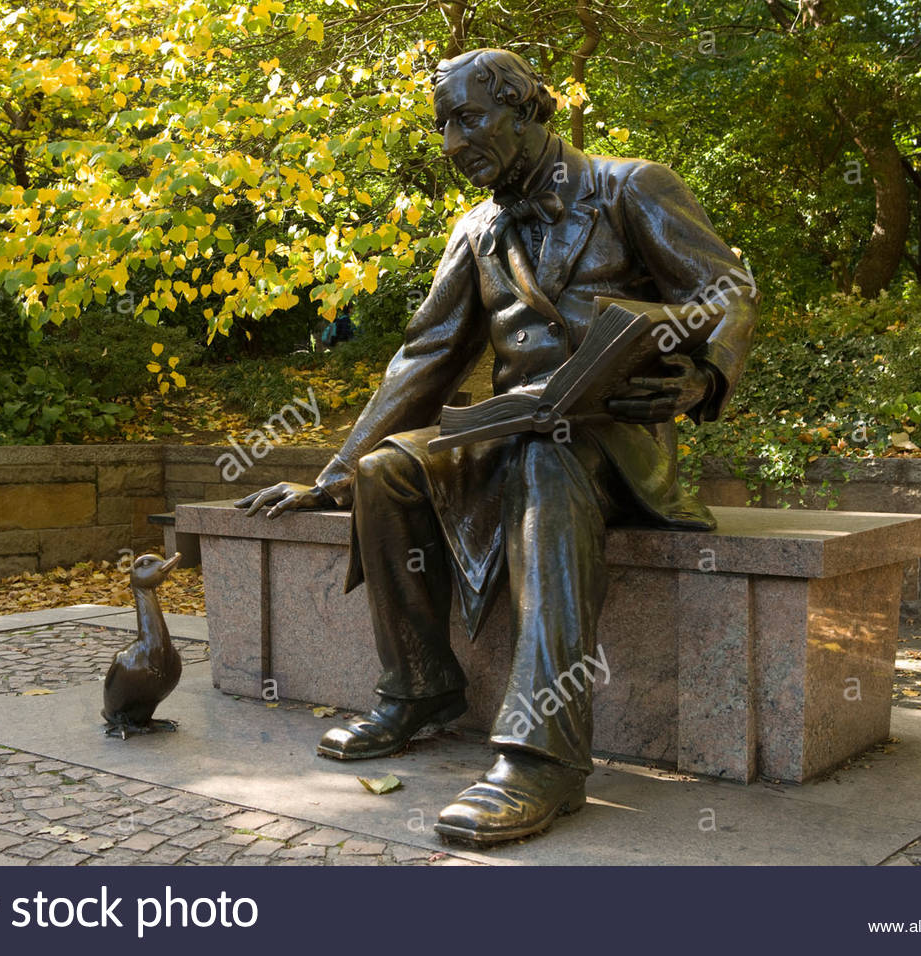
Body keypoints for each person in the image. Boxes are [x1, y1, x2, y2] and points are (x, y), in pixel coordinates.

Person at [236, 48, 758, 845]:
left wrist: (701, 381)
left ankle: (540, 756)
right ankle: (420, 685)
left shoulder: (631, 187)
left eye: (468, 118)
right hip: (511, 427)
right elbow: (425, 359)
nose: (451, 141)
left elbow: (724, 289)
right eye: (442, 124)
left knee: (549, 459)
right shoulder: (477, 228)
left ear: (526, 111)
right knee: (388, 474)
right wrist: (331, 476)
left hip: (611, 442)